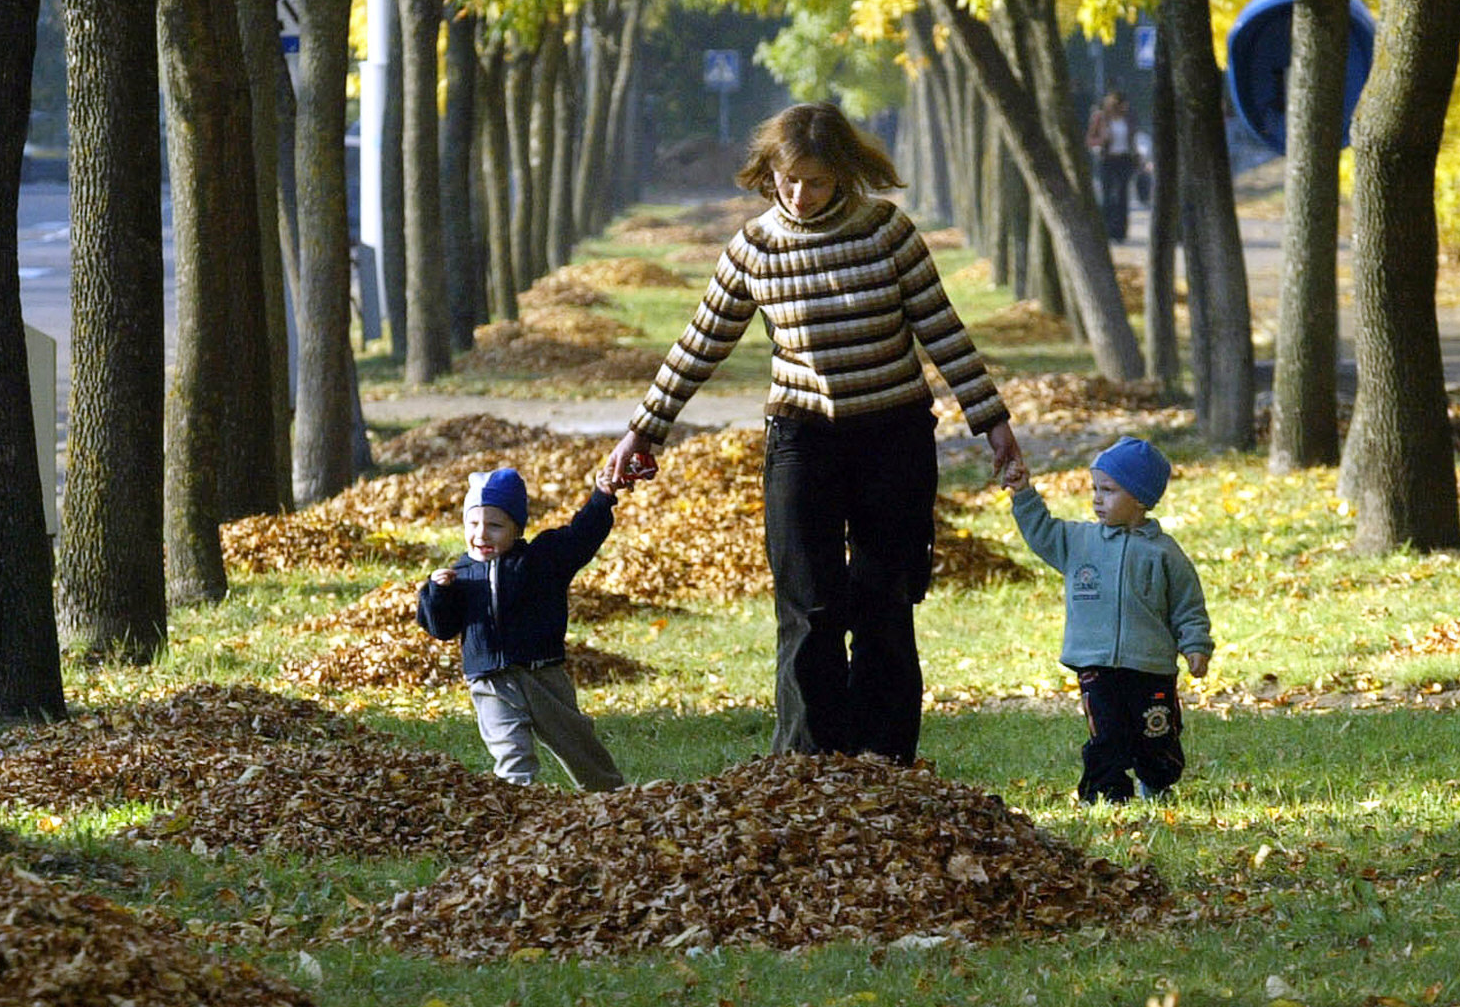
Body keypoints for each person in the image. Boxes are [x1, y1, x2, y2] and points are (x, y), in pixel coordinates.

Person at [602, 101, 1023, 764]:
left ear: (845, 178)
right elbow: (699, 345)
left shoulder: (886, 232)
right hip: (802, 438)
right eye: (787, 180)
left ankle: (886, 756)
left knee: (884, 598)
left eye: (817, 182)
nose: (799, 195)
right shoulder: (755, 249)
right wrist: (642, 433)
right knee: (809, 604)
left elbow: (942, 329)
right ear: (768, 172)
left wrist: (992, 423)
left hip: (893, 436)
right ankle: (809, 760)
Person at [1002, 435, 1213, 803]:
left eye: (1109, 490)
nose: (1097, 498)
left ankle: (1158, 781)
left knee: (1155, 732)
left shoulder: (1164, 553)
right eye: (1095, 489)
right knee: (1106, 736)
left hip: (1150, 667)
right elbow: (1042, 531)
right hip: (1095, 663)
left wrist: (1195, 646)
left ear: (1141, 499)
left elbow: (1188, 605)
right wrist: (1023, 493)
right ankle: (1105, 794)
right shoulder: (1079, 541)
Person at [417, 465, 631, 790]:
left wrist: (602, 497)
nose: (481, 534)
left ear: (516, 528)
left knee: (577, 743)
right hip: (490, 682)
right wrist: (436, 593)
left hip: (543, 675)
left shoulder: (541, 560)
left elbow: (581, 536)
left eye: (495, 525)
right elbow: (442, 628)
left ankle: (611, 794)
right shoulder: (459, 575)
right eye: (473, 524)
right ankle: (517, 805)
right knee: (510, 751)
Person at [1085, 89, 1138, 241]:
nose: (1123, 107)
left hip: (1124, 159)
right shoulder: (1100, 118)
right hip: (1107, 160)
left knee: (1122, 196)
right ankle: (1107, 230)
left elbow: (1134, 138)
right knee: (1108, 197)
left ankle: (1120, 232)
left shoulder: (1128, 119)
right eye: (1120, 104)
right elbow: (1089, 140)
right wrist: (1102, 140)